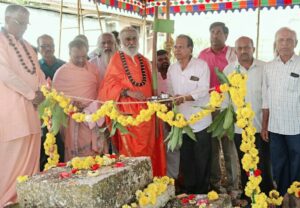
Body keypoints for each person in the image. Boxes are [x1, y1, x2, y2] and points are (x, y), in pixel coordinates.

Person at [99, 26, 166, 176]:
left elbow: (152, 85)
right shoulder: (116, 59)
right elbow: (108, 86)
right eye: (127, 39)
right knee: (133, 153)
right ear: (121, 41)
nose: (131, 42)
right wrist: (128, 92)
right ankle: (134, 183)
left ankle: (151, 181)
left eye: (134, 38)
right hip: (128, 116)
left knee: (150, 149)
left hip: (148, 115)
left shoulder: (143, 60)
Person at [0, 4, 45, 206]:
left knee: (32, 152)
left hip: (32, 110)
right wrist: (30, 93)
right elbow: (6, 74)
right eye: (20, 23)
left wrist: (43, 89)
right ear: (6, 19)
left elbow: (38, 73)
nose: (24, 28)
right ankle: (6, 199)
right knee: (12, 156)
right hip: (12, 110)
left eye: (27, 23)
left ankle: (27, 197)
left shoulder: (27, 45)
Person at [224, 36, 274, 205]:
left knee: (263, 162)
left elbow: (268, 97)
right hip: (240, 128)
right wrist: (227, 125)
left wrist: (266, 124)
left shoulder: (264, 67)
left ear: (253, 48)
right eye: (240, 48)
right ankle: (249, 195)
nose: (244, 51)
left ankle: (266, 194)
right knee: (245, 163)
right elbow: (226, 101)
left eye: (247, 47)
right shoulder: (229, 70)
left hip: (261, 126)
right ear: (235, 50)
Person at [168, 34, 212, 194]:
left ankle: (203, 192)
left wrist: (185, 97)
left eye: (181, 47)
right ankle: (189, 191)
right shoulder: (172, 68)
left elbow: (203, 89)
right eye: (175, 47)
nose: (177, 50)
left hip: (200, 122)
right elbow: (171, 90)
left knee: (202, 159)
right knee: (186, 159)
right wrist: (173, 98)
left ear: (190, 49)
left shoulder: (201, 65)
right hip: (182, 122)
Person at [198, 22, 238, 193]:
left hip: (227, 108)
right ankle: (215, 184)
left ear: (226, 35)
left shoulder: (232, 54)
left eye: (219, 32)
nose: (215, 35)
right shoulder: (202, 54)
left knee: (229, 149)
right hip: (209, 108)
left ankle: (234, 186)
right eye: (212, 32)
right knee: (213, 150)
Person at [53, 39, 107, 161]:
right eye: (76, 57)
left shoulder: (93, 69)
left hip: (92, 117)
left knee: (94, 155)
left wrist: (92, 107)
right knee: (77, 157)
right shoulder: (62, 73)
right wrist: (71, 104)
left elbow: (100, 91)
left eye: (83, 56)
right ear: (69, 54)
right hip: (72, 118)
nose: (81, 60)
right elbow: (55, 99)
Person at [262, 27, 300, 196]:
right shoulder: (269, 67)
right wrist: (264, 126)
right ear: (275, 44)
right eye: (281, 40)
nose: (285, 44)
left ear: (296, 43)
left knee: (297, 164)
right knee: (279, 164)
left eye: (289, 40)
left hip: (296, 127)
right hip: (275, 126)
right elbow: (265, 98)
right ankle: (283, 197)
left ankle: (296, 198)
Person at [37, 34, 65, 170]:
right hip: (41, 115)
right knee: (44, 145)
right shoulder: (34, 67)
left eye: (51, 46)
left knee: (61, 145)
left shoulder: (63, 66)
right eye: (44, 46)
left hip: (62, 113)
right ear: (38, 48)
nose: (48, 49)